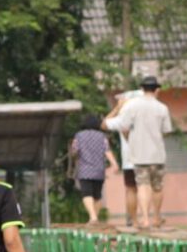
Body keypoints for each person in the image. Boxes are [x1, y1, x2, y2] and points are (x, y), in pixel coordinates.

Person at [103, 78, 176, 229]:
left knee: (142, 186)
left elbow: (122, 126)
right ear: (156, 90)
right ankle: (156, 218)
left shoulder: (132, 106)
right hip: (157, 155)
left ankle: (145, 219)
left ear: (142, 89)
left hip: (139, 155)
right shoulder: (162, 108)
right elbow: (166, 130)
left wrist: (130, 138)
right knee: (157, 187)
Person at [107, 82, 143, 228]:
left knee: (130, 189)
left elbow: (105, 123)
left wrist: (117, 108)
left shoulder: (123, 117)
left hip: (128, 159)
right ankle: (146, 218)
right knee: (146, 188)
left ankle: (133, 220)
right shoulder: (144, 114)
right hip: (146, 158)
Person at [68, 117, 113, 228]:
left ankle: (93, 217)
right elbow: (107, 150)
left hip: (85, 170)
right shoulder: (102, 136)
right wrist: (114, 163)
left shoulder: (79, 136)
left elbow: (74, 151)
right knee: (97, 195)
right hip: (99, 170)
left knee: (87, 193)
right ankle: (94, 219)